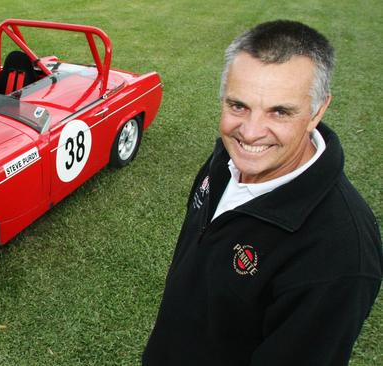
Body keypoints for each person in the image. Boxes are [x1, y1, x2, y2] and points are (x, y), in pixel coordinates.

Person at [143, 20, 382, 365]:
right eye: (238, 106)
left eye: (280, 111)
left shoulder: (342, 255)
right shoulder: (224, 158)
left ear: (318, 111)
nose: (250, 133)